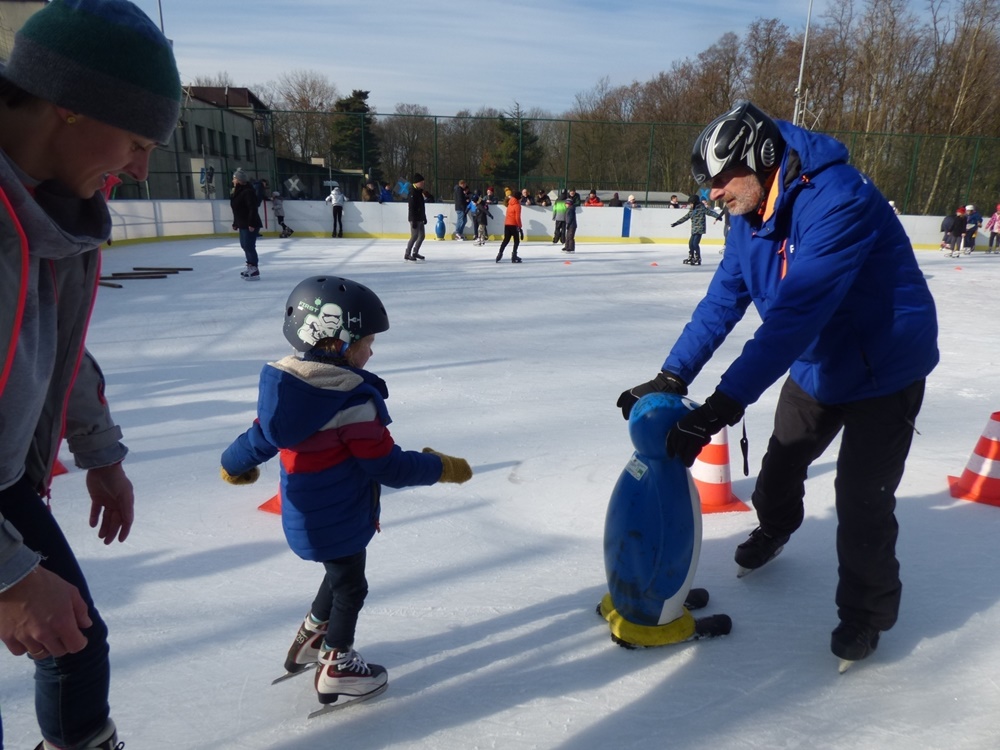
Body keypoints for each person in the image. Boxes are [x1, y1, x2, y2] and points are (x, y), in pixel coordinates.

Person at [617, 101, 938, 668]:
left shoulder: (840, 200)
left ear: (761, 160)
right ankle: (776, 526)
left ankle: (866, 615)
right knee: (778, 469)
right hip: (818, 365)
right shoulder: (747, 220)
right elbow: (723, 300)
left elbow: (795, 316)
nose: (712, 195)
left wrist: (724, 403)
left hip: (884, 368)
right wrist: (673, 374)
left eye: (719, 181)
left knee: (861, 497)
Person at [0, 1, 181, 748]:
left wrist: (99, 452)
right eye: (138, 142)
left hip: (8, 477)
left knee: (74, 638)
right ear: (70, 110)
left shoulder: (63, 208)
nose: (140, 170)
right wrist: (10, 578)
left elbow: (54, 347)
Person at [220, 275, 472, 711]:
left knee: (338, 574)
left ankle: (313, 632)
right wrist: (440, 467)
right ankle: (336, 662)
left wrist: (232, 465)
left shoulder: (287, 393)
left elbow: (258, 439)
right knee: (352, 587)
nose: (371, 352)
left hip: (305, 518)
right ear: (337, 343)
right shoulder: (349, 401)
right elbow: (386, 466)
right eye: (367, 342)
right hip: (340, 517)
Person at [232, 168, 262, 280]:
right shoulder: (238, 191)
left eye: (234, 179)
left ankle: (254, 269)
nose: (233, 181)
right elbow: (237, 209)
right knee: (244, 245)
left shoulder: (248, 191)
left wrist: (251, 223)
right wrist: (235, 223)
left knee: (249, 246)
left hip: (250, 223)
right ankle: (250, 266)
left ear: (239, 180)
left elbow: (252, 209)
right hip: (242, 223)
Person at [671, 197, 720, 266]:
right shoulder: (692, 210)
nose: (690, 205)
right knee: (690, 244)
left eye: (691, 204)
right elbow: (686, 217)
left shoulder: (702, 208)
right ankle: (691, 256)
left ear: (695, 203)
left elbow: (710, 212)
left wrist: (718, 216)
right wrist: (676, 223)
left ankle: (698, 258)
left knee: (695, 244)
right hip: (694, 229)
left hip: (700, 229)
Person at [404, 173, 427, 262]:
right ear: (417, 182)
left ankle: (415, 252)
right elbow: (412, 207)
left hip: (420, 217)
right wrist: (413, 220)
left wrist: (424, 217)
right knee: (414, 236)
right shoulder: (412, 192)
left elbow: (422, 206)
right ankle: (407, 253)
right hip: (414, 218)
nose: (423, 183)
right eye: (421, 182)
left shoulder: (419, 192)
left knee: (422, 236)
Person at [495, 191, 523, 263]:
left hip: (507, 224)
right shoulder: (517, 205)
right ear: (519, 198)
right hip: (514, 224)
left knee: (506, 240)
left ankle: (500, 254)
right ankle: (514, 255)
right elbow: (517, 217)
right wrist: (520, 226)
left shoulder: (510, 204)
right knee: (516, 240)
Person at [562, 189, 578, 253]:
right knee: (568, 236)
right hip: (570, 225)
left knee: (570, 236)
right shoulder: (569, 209)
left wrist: (568, 224)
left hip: (572, 225)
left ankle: (571, 248)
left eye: (566, 203)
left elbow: (569, 218)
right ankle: (567, 246)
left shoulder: (570, 209)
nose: (565, 205)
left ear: (568, 204)